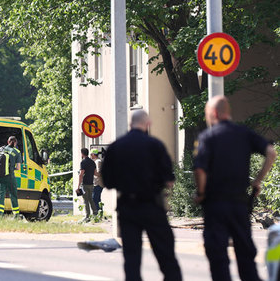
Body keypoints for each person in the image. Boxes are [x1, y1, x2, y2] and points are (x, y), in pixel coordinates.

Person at [193, 95, 277, 281]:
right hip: (240, 205)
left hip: (215, 205)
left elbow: (200, 169)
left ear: (214, 113)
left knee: (218, 257)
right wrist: (257, 181)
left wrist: (200, 193)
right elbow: (271, 153)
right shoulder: (244, 133)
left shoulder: (208, 137)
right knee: (246, 256)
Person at [102, 109, 182, 281]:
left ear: (130, 124)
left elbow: (107, 182)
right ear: (148, 124)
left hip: (127, 207)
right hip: (152, 205)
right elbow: (169, 179)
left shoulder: (115, 147)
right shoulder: (155, 146)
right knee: (165, 253)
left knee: (132, 257)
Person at [0, 135, 21, 217]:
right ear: (15, 143)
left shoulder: (1, 149)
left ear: (8, 142)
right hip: (10, 177)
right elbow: (18, 167)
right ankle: (16, 214)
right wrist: (12, 168)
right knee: (13, 195)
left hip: (0, 176)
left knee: (0, 194)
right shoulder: (17, 152)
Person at [77, 147, 97, 220]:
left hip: (85, 183)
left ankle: (87, 216)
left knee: (86, 200)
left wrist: (78, 186)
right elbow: (95, 173)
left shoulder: (83, 162)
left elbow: (81, 174)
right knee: (91, 199)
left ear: (82, 154)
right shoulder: (92, 162)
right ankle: (95, 213)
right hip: (91, 183)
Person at [90, 148, 104, 212]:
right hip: (96, 183)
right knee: (97, 199)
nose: (90, 156)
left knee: (94, 199)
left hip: (98, 183)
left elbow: (99, 173)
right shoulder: (96, 161)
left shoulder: (98, 162)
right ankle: (99, 212)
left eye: (91, 154)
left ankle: (97, 212)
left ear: (93, 154)